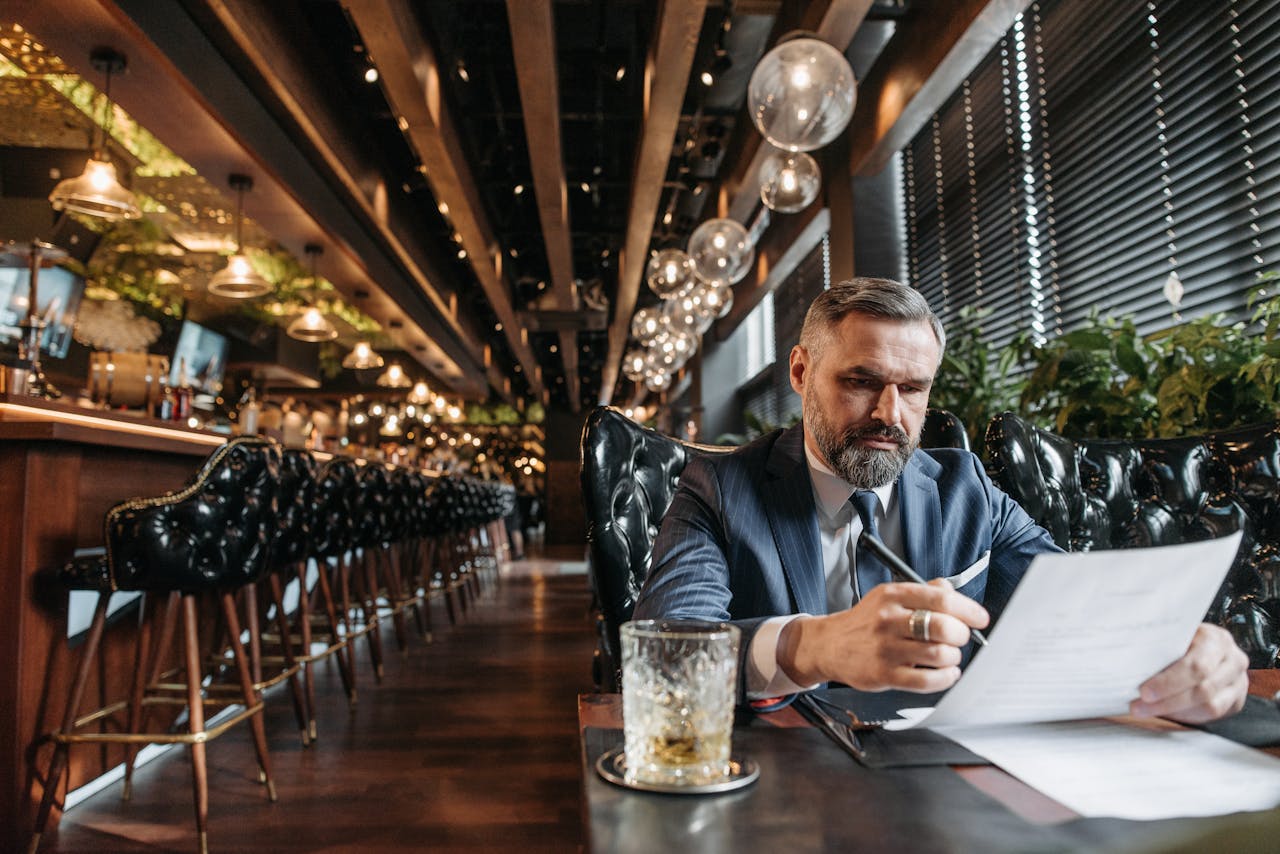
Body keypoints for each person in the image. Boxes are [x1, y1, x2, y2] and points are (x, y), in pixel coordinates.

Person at [632, 277, 1248, 724]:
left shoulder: (967, 488)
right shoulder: (719, 488)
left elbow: (1074, 605)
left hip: (945, 775)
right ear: (799, 373)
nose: (889, 414)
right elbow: (665, 655)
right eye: (860, 381)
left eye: (913, 389)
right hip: (786, 780)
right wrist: (814, 646)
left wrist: (1182, 648)